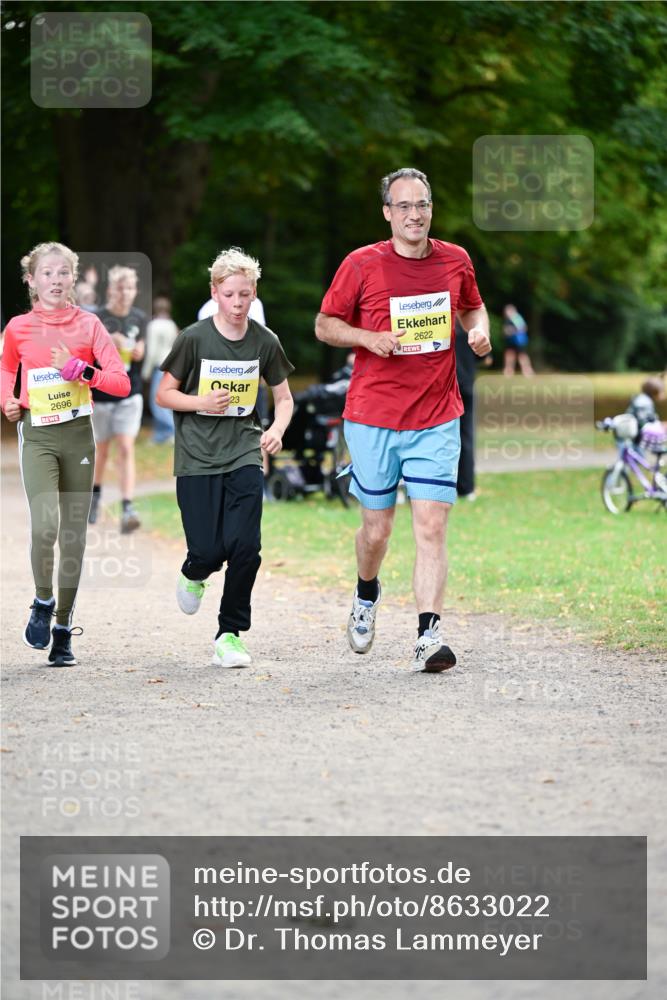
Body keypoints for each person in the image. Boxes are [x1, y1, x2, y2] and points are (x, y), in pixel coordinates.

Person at [315, 167, 490, 672]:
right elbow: (325, 325)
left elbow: (474, 310)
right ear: (388, 212)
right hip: (373, 417)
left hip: (437, 415)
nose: (415, 215)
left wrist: (479, 333)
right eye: (404, 206)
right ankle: (366, 594)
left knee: (431, 525)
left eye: (423, 205)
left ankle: (428, 636)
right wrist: (367, 339)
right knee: (377, 530)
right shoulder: (361, 264)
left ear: (431, 208)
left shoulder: (455, 260)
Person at [156, 247, 294, 668]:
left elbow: (284, 398)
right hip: (197, 459)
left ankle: (229, 633)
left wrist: (275, 431)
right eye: (230, 294)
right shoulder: (194, 339)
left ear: (254, 295)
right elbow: (164, 394)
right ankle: (195, 571)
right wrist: (200, 402)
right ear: (215, 292)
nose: (238, 304)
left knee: (246, 547)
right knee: (208, 550)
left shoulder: (264, 341)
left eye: (246, 295)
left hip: (243, 452)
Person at [1, 242, 130, 666]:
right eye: (47, 273)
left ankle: (61, 628)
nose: (55, 280)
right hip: (38, 435)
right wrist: (8, 399)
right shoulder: (18, 327)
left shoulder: (90, 325)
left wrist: (79, 369)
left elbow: (120, 383)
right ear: (31, 280)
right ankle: (42, 600)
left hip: (78, 435)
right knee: (45, 527)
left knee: (72, 538)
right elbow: (5, 369)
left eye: (62, 273)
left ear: (72, 278)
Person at [89, 266, 146, 533]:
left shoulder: (139, 319)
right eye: (120, 287)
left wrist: (137, 352)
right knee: (101, 451)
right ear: (111, 289)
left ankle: (127, 507)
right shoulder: (97, 319)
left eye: (130, 288)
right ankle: (94, 496)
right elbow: (85, 356)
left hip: (129, 393)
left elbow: (142, 351)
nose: (125, 293)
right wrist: (107, 343)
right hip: (101, 395)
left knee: (125, 447)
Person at [455, 318, 492, 501]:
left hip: (445, 388)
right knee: (466, 437)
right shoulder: (469, 327)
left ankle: (446, 485)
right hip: (466, 385)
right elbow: (484, 356)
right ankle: (467, 487)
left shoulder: (438, 326)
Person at [142, 296, 179, 444]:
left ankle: (173, 431)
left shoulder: (154, 325)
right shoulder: (172, 324)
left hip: (159, 365)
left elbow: (152, 351)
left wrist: (146, 372)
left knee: (157, 402)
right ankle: (160, 435)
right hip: (171, 366)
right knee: (165, 400)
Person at [502, 304, 534, 377]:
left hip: (519, 341)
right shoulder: (508, 320)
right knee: (509, 355)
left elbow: (523, 328)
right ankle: (508, 371)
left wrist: (511, 331)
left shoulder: (516, 318)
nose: (506, 313)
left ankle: (527, 371)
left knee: (522, 356)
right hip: (511, 341)